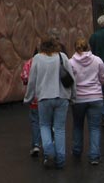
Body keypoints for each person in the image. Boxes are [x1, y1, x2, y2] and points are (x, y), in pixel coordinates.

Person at [24, 35, 76, 169]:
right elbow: (71, 78)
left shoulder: (37, 59)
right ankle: (61, 160)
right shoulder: (62, 57)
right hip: (62, 97)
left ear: (41, 46)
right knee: (59, 128)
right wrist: (73, 96)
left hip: (44, 98)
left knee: (44, 125)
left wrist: (28, 98)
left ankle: (49, 151)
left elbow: (32, 80)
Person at [69, 37, 104, 165]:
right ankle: (94, 156)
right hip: (95, 97)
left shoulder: (70, 62)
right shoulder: (97, 60)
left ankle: (77, 150)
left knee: (78, 126)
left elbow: (68, 80)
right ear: (88, 47)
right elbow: (103, 77)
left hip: (78, 98)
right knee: (95, 127)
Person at [20, 48, 41, 157]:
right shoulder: (47, 61)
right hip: (46, 97)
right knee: (47, 122)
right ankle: (51, 143)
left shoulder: (29, 63)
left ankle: (36, 144)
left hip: (34, 98)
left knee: (35, 122)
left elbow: (24, 78)